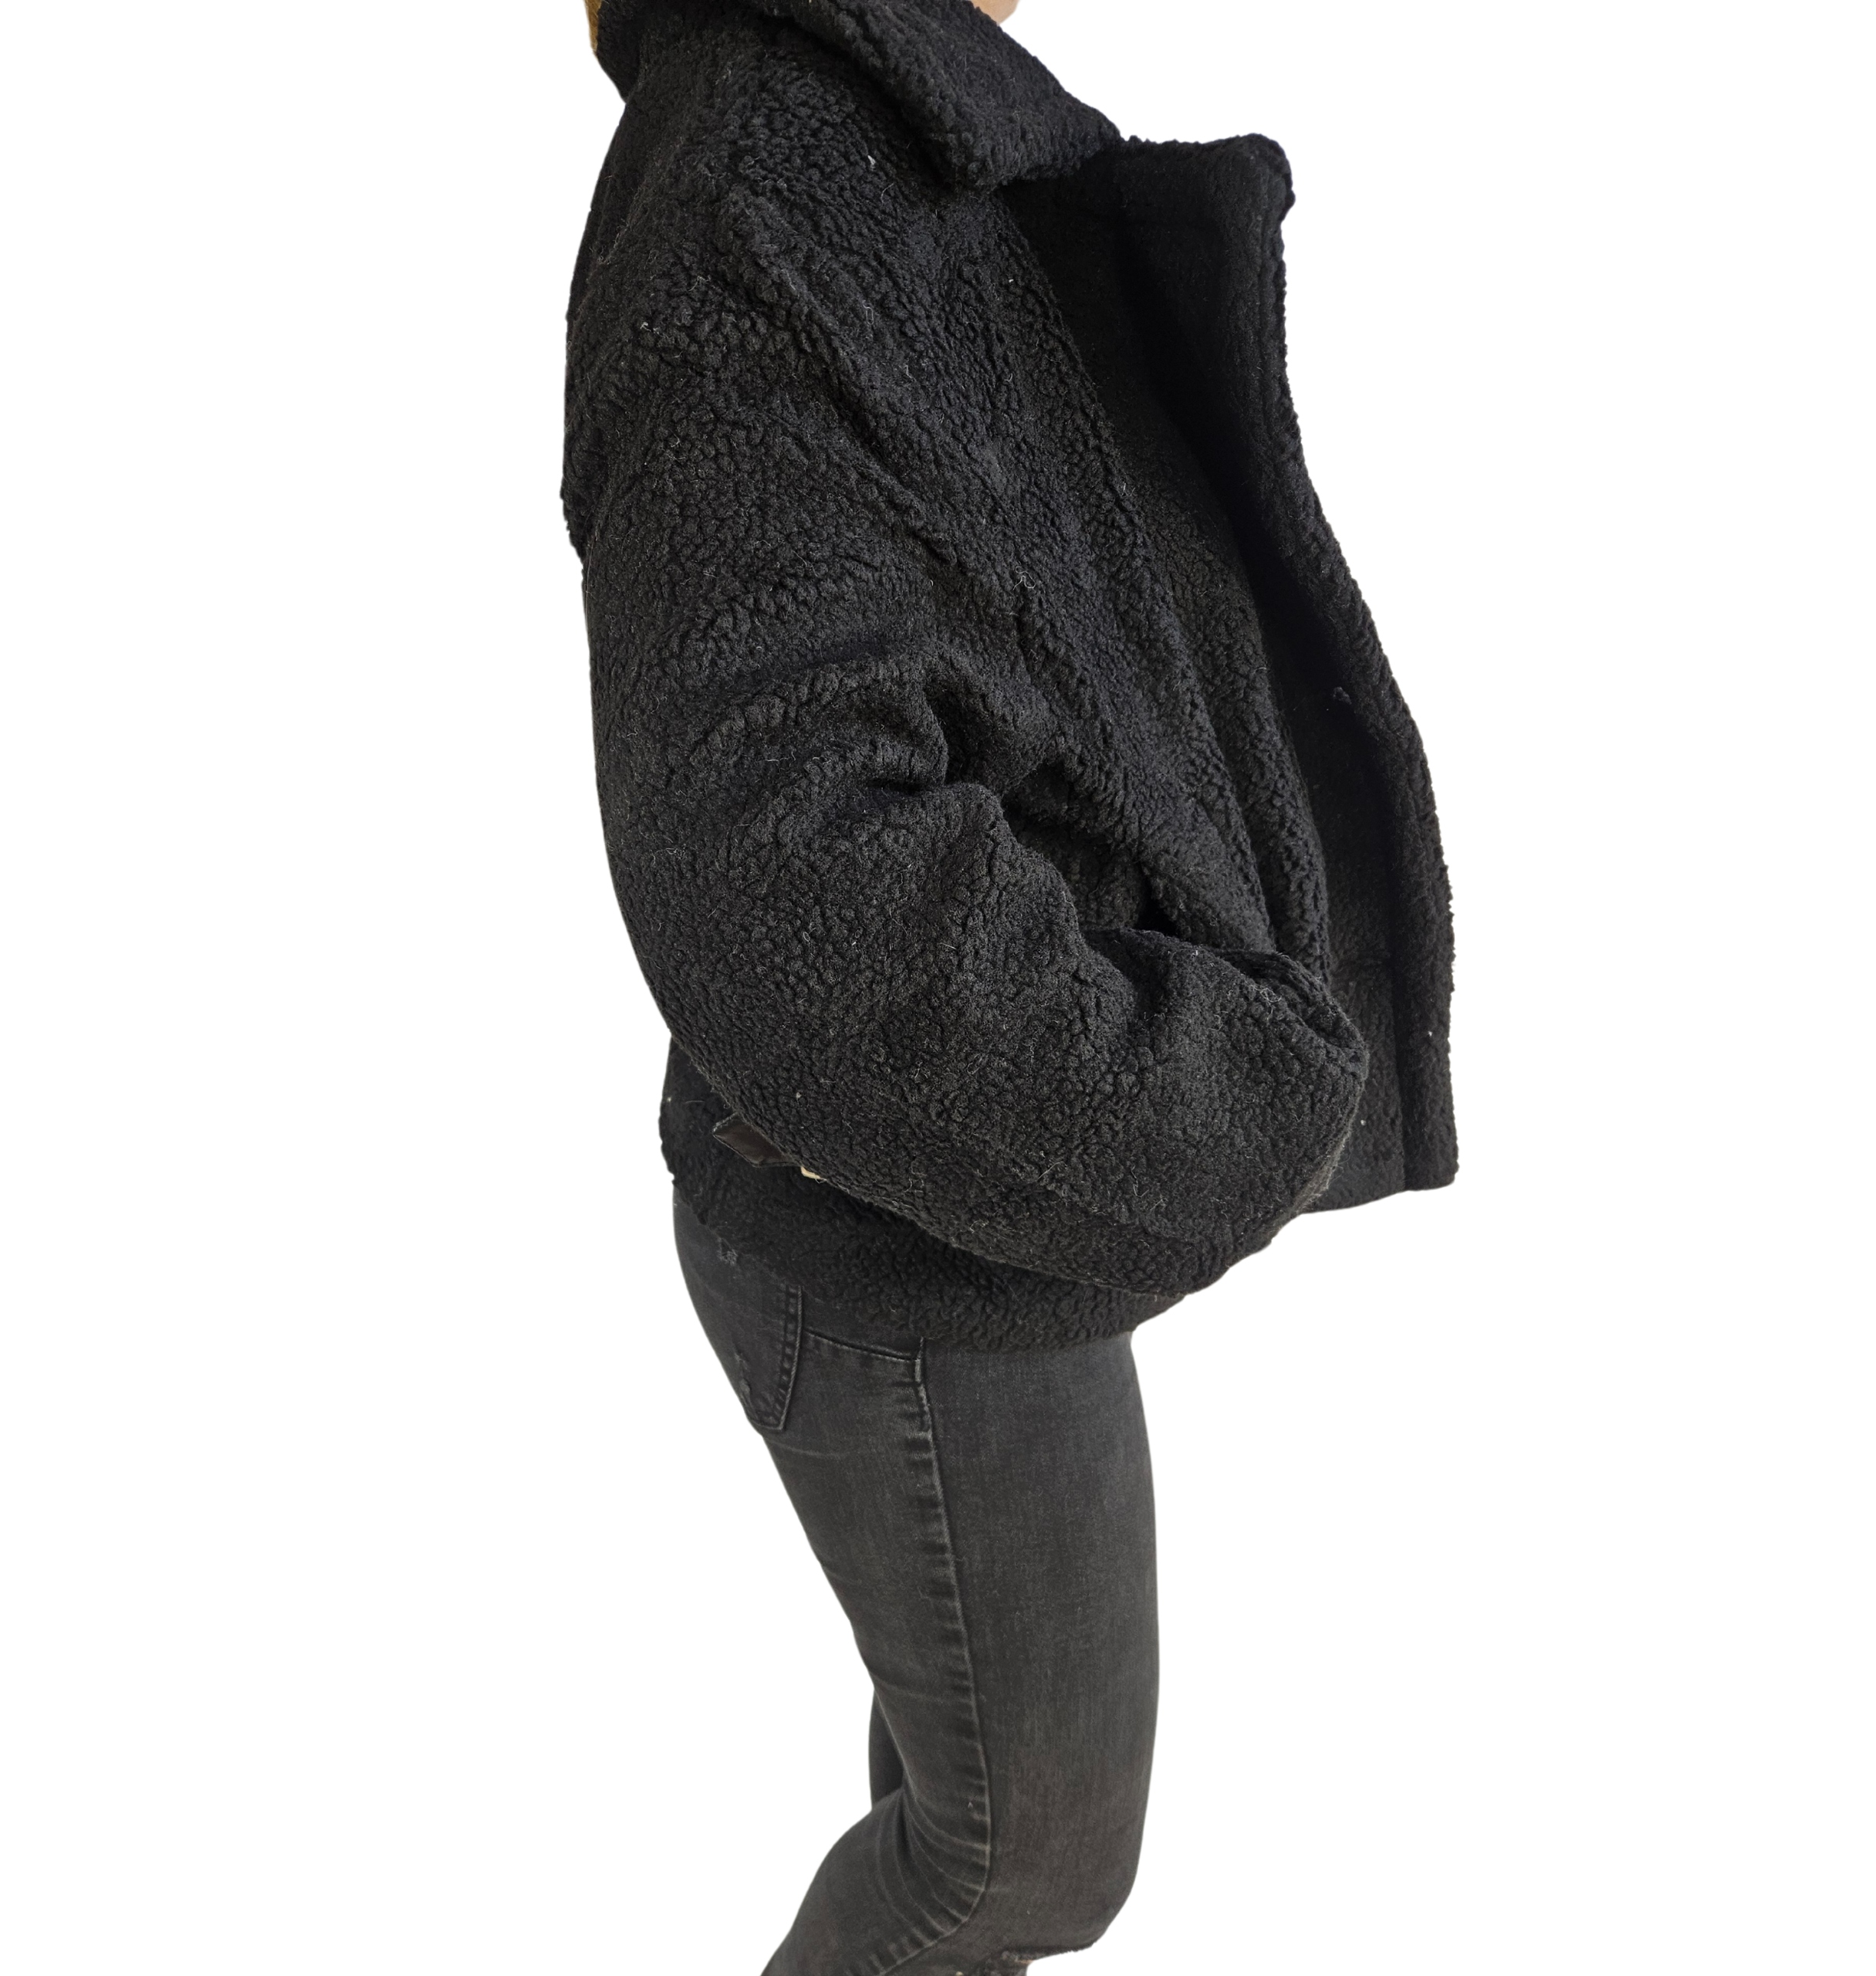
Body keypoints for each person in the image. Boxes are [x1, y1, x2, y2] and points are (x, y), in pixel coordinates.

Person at [563, 0, 1456, 1966]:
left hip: (968, 1164)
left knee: (974, 1773)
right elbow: (773, 845)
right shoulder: (764, 176)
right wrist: (1171, 1096)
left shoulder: (855, 129)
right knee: (1017, 1858)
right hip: (910, 1203)